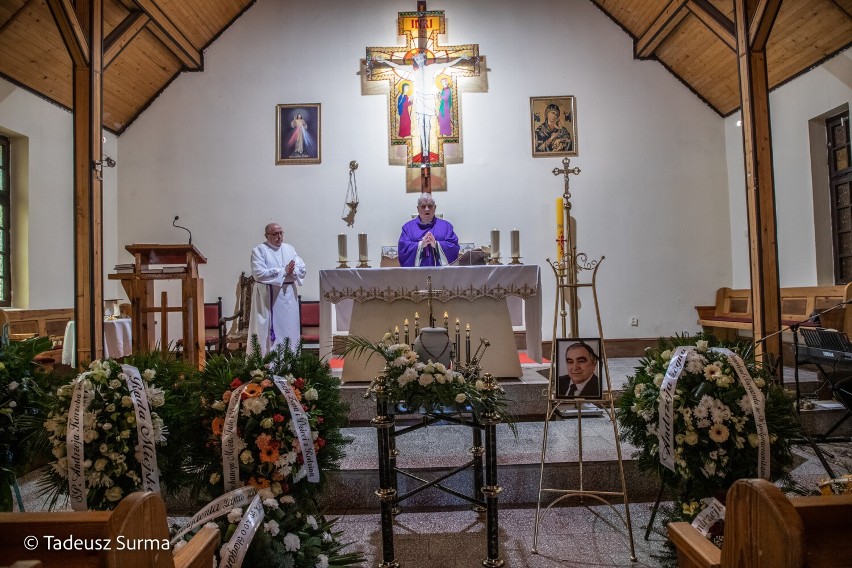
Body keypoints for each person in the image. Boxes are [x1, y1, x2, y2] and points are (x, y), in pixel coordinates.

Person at [375, 50, 469, 164]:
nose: (419, 61)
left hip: (429, 98)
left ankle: (427, 148)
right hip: (419, 98)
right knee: (421, 123)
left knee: (428, 124)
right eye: (417, 59)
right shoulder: (414, 71)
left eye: (421, 59)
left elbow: (446, 64)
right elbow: (398, 66)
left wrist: (461, 58)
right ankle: (424, 148)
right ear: (415, 60)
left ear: (424, 59)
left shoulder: (432, 68)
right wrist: (384, 60)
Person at [248, 223, 307, 355]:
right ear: (267, 235)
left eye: (281, 233)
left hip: (289, 297)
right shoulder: (259, 250)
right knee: (268, 332)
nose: (279, 236)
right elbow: (258, 273)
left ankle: (291, 365)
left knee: (289, 330)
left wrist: (292, 271)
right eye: (275, 234)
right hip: (269, 298)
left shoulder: (289, 249)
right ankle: (267, 367)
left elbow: (302, 268)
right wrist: (283, 271)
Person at [398, 193, 460, 267]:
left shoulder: (446, 226)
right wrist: (420, 245)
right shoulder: (407, 228)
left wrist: (437, 244)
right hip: (416, 274)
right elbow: (403, 250)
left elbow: (454, 247)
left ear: (435, 207)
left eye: (430, 206)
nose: (427, 209)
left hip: (441, 274)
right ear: (418, 208)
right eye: (423, 206)